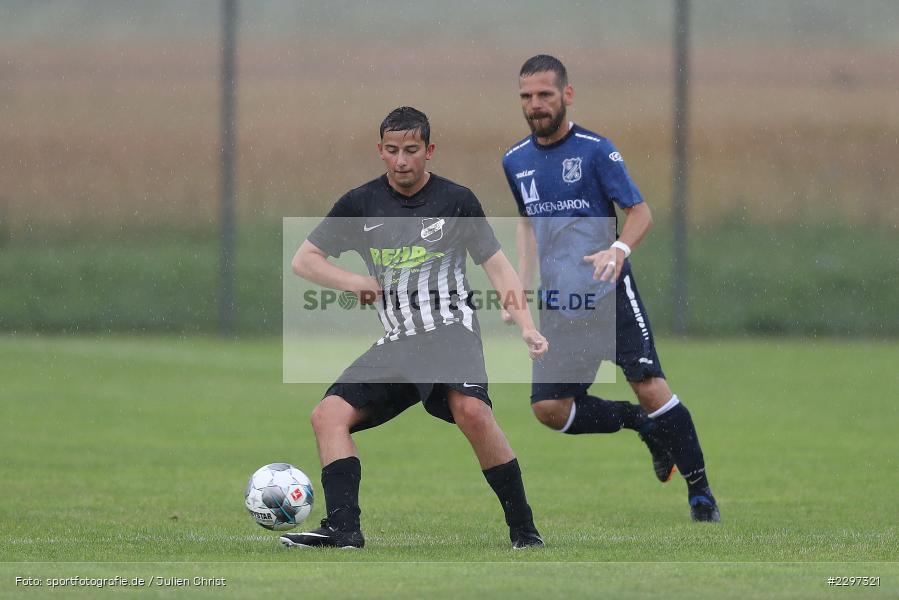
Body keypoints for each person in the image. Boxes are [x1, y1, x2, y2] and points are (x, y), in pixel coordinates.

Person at [281, 106, 550, 549]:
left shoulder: (456, 200)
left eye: (411, 150)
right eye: (392, 151)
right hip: (399, 340)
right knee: (327, 415)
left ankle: (524, 530)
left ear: (429, 150)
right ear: (380, 151)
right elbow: (304, 260)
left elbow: (499, 268)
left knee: (473, 412)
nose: (401, 160)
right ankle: (344, 529)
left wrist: (526, 325)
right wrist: (353, 282)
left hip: (449, 331)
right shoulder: (360, 203)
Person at [500, 55, 719, 522]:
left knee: (650, 387)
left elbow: (640, 211)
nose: (535, 105)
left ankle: (700, 494)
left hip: (609, 294)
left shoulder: (596, 150)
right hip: (560, 303)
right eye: (527, 97)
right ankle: (641, 426)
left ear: (567, 95)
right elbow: (526, 223)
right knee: (549, 409)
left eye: (545, 95)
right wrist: (521, 281)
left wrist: (618, 249)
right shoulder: (515, 160)